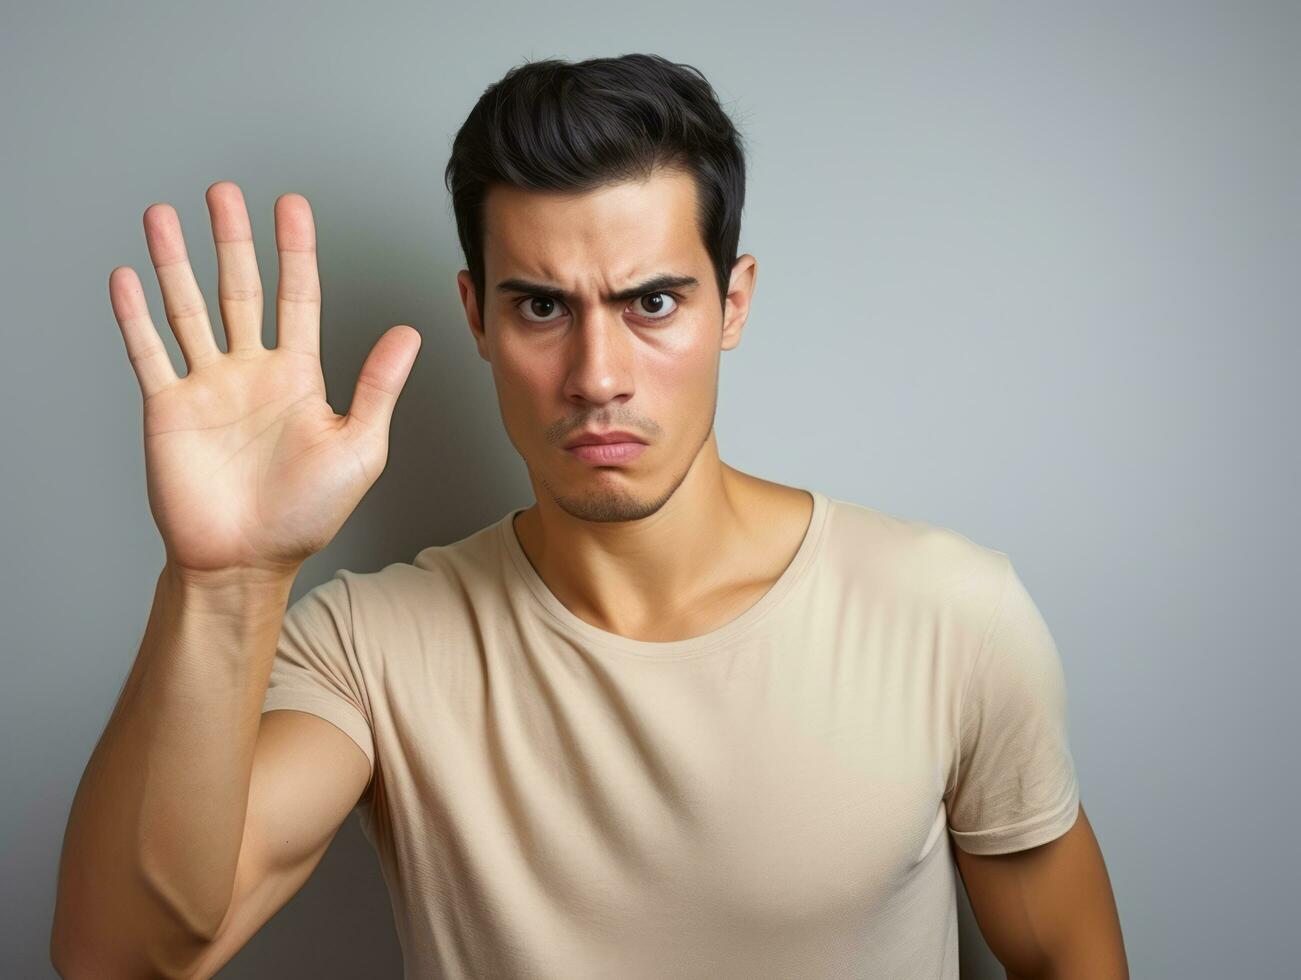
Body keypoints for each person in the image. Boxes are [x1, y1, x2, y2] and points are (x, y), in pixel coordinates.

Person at [51, 53, 1127, 979]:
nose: (595, 374)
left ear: (732, 302)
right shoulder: (367, 649)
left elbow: (1063, 953)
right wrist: (223, 581)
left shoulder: (947, 611)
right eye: (540, 306)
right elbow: (127, 955)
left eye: (650, 301)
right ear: (476, 314)